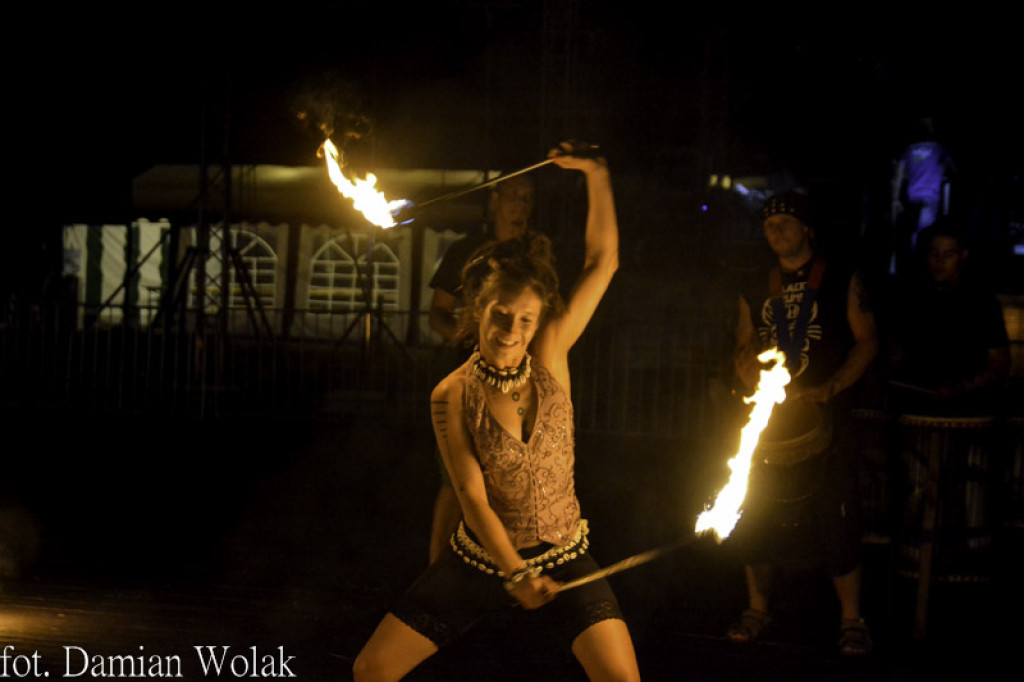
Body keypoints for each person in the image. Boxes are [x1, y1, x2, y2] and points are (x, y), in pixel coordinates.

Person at [353, 143, 641, 682]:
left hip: (564, 552)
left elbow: (604, 261)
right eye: (501, 315)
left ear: (540, 322)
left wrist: (597, 173)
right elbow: (470, 497)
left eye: (526, 320)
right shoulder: (452, 393)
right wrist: (514, 573)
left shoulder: (552, 353)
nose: (512, 331)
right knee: (372, 669)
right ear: (477, 312)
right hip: (483, 559)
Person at [726, 191, 879, 656]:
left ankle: (852, 621)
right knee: (755, 517)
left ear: (807, 229)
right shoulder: (757, 281)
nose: (777, 233)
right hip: (770, 426)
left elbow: (867, 342)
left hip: (825, 421)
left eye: (787, 223)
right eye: (770, 226)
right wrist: (749, 373)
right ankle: (757, 609)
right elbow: (743, 344)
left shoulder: (839, 279)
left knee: (837, 518)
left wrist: (829, 389)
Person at [425, 173, 537, 565]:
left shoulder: (535, 257)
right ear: (495, 200)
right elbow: (437, 314)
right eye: (514, 195)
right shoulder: (465, 252)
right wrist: (470, 338)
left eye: (527, 197)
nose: (521, 204)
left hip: (522, 386)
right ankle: (435, 572)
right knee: (457, 482)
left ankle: (499, 565)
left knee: (510, 483)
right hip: (471, 382)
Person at [887, 219, 1011, 416]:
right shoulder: (912, 299)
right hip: (915, 404)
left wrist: (959, 389)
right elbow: (896, 354)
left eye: (948, 255)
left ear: (963, 255)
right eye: (934, 254)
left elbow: (999, 365)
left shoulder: (982, 303)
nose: (939, 261)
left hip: (967, 409)